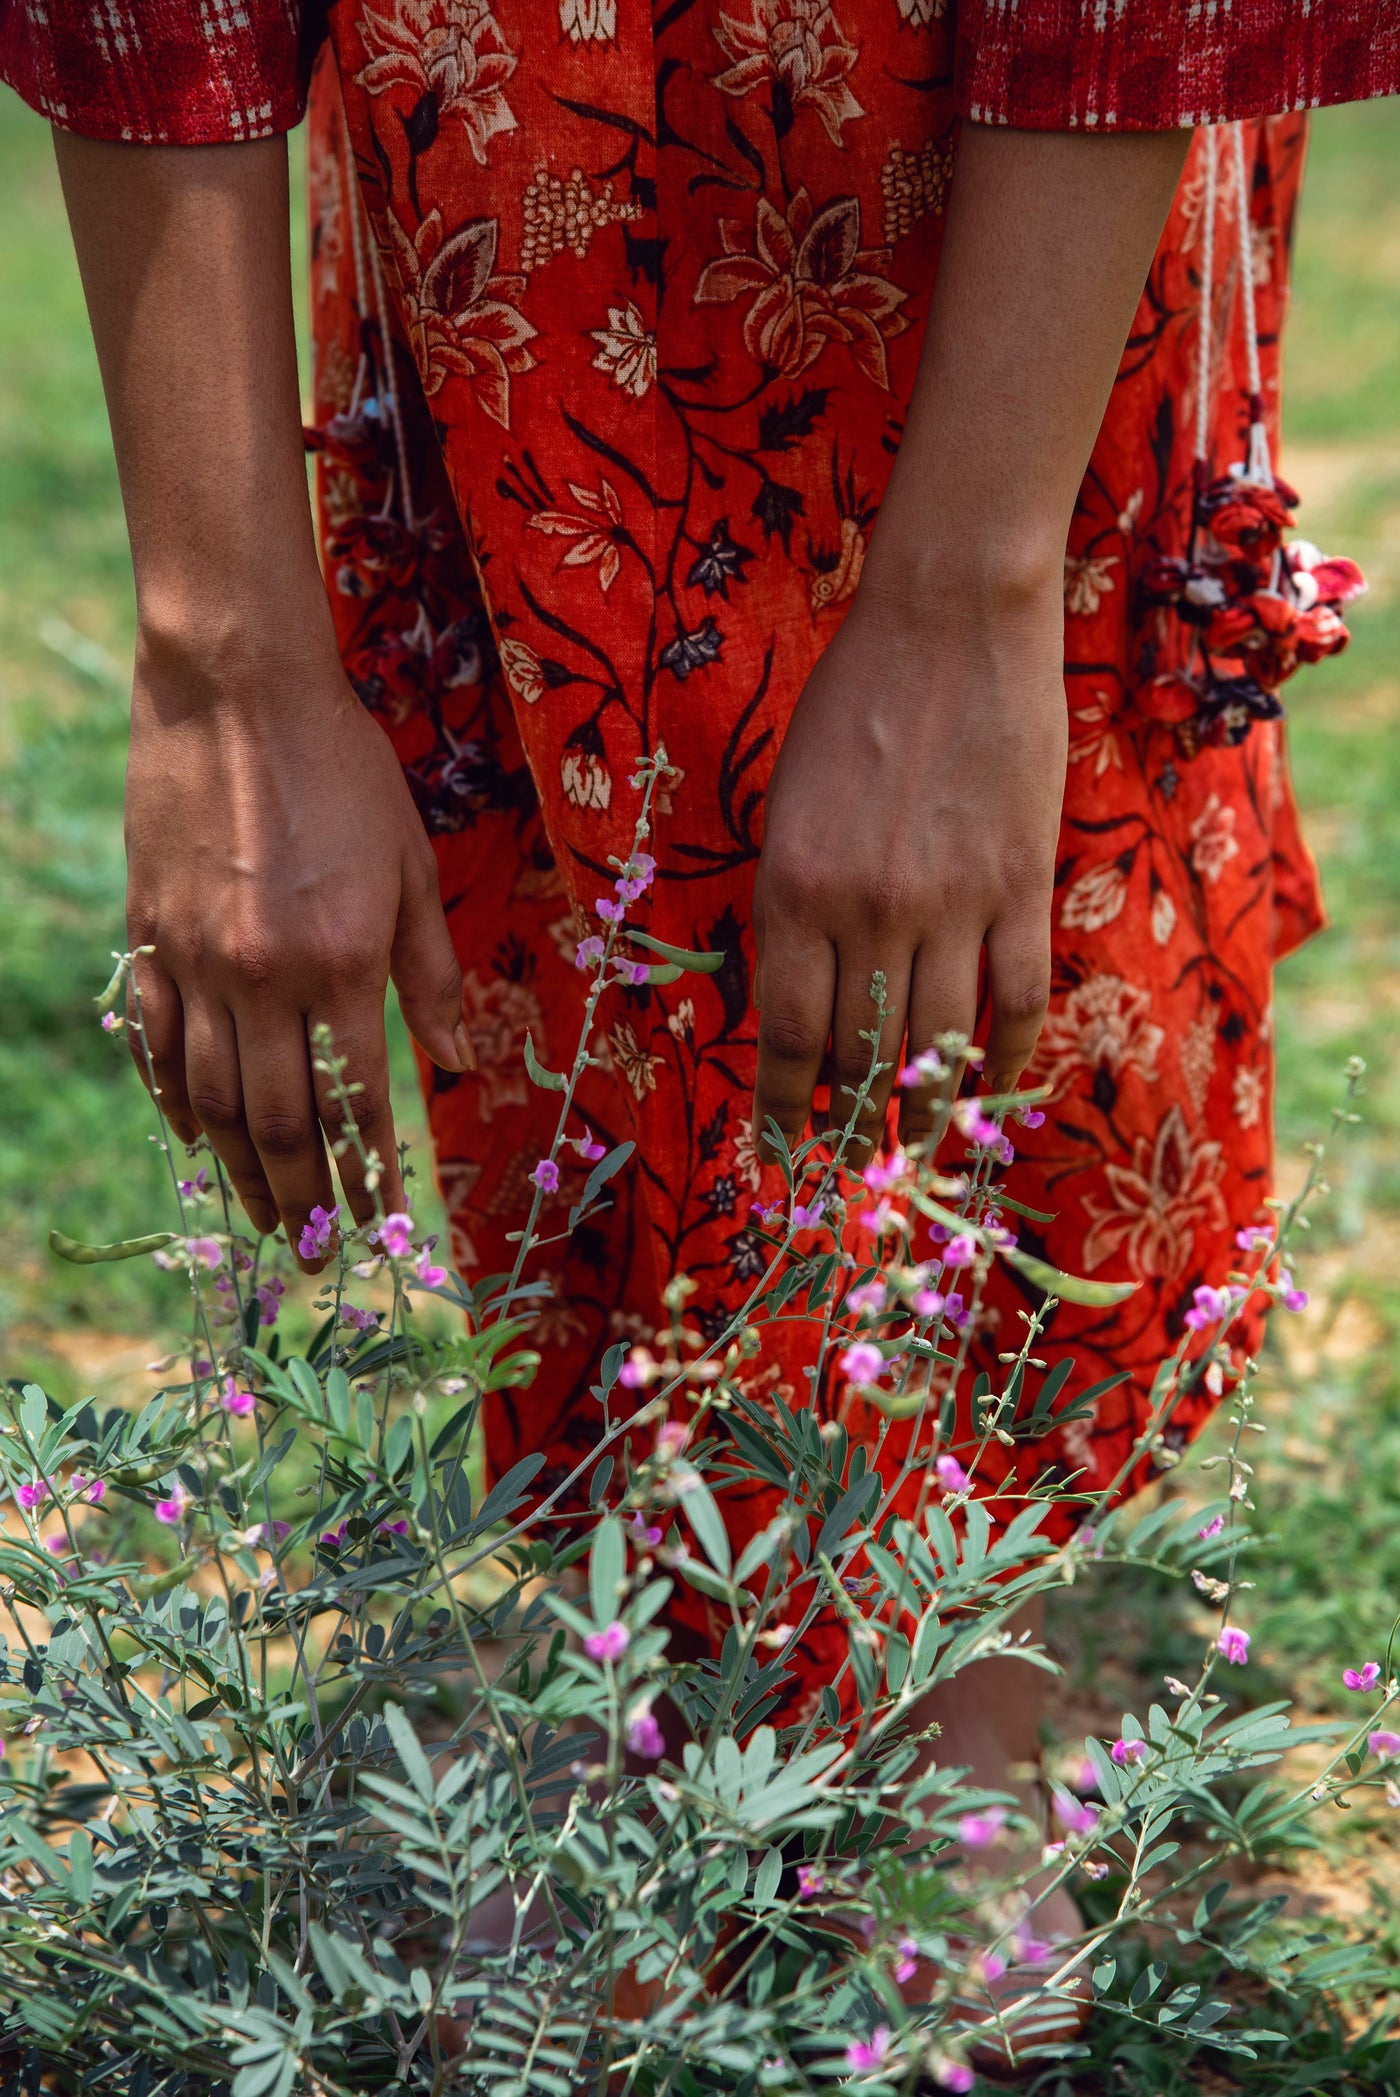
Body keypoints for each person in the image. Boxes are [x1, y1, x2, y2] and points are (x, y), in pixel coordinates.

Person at [3, 0, 1392, 1919]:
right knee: (585, 811)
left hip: (986, 114)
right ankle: (670, 1634)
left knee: (973, 883)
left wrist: (965, 585)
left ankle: (933, 1643)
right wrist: (225, 664)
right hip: (510, 116)